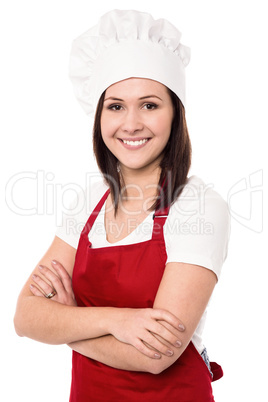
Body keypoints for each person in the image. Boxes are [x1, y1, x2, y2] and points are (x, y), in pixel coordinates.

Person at [14, 9, 231, 402]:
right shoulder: (88, 204)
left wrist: (68, 324)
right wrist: (119, 320)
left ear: (175, 114)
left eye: (149, 105)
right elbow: (25, 317)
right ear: (99, 116)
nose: (130, 124)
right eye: (115, 106)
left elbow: (156, 356)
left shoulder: (198, 206)